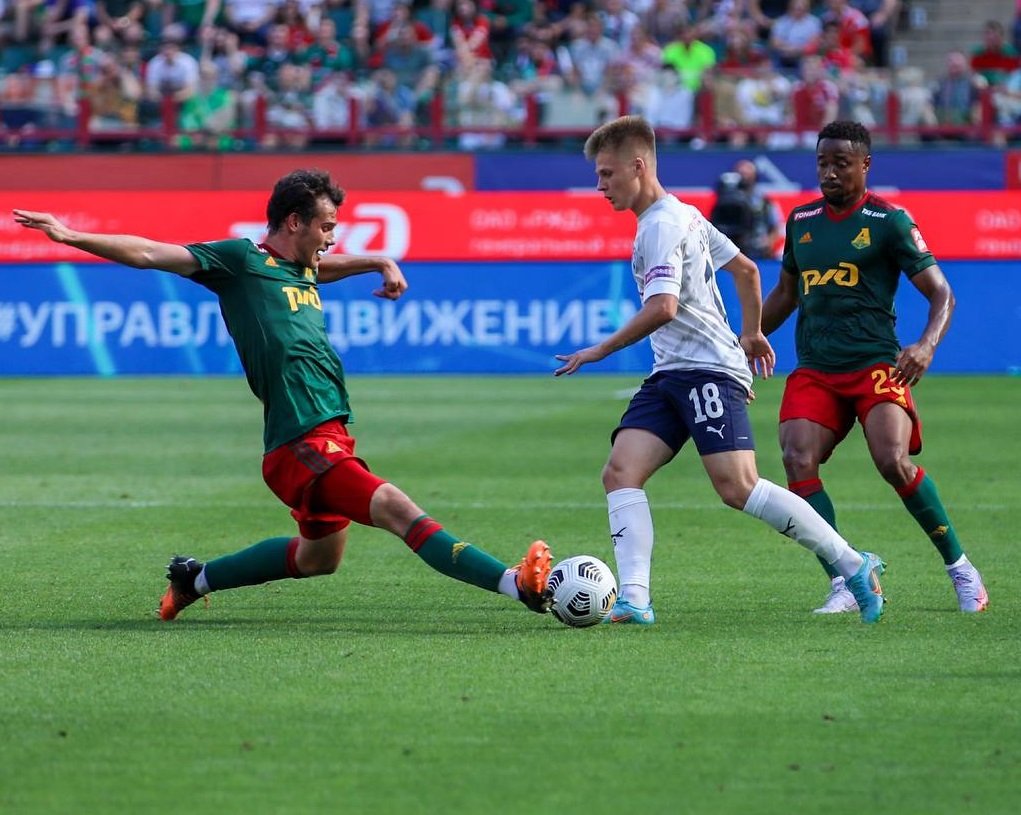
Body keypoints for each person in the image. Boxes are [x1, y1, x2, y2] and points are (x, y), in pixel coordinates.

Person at [13, 169, 554, 621]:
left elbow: (323, 269)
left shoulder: (301, 269)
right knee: (396, 508)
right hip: (301, 442)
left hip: (327, 434)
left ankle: (193, 579)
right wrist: (71, 235)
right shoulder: (241, 261)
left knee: (320, 559)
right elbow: (152, 253)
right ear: (294, 222)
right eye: (326, 226)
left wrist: (379, 262)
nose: (332, 238)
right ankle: (515, 584)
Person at [553, 115, 886, 625]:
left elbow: (663, 307)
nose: (600, 186)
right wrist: (751, 333)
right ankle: (635, 599)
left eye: (606, 174)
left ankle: (852, 563)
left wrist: (601, 349)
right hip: (672, 372)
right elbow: (747, 270)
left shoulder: (662, 225)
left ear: (638, 166)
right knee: (620, 472)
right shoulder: (681, 214)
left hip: (706, 370)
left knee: (738, 486)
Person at [760, 120, 989, 614]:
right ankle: (847, 577)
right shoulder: (801, 220)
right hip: (816, 368)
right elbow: (786, 294)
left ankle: (960, 568)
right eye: (822, 163)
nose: (829, 172)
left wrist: (926, 345)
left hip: (875, 366)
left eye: (841, 163)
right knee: (797, 459)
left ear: (865, 164)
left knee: (892, 460)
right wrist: (747, 337)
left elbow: (942, 293)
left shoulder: (889, 221)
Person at [710, 158, 782, 260]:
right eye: (741, 174)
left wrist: (768, 243)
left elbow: (776, 227)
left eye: (747, 174)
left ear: (755, 176)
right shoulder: (723, 199)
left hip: (755, 248)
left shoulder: (764, 201)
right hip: (728, 248)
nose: (744, 177)